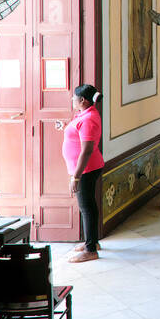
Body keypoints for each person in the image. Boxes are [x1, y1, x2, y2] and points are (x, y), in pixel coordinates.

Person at [60, 84, 104, 263]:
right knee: (88, 207)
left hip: (86, 169)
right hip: (85, 168)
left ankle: (91, 249)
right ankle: (92, 242)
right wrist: (65, 127)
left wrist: (76, 177)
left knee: (86, 208)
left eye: (74, 97)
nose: (72, 100)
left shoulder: (88, 119)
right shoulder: (85, 114)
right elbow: (77, 134)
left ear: (83, 100)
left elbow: (87, 150)